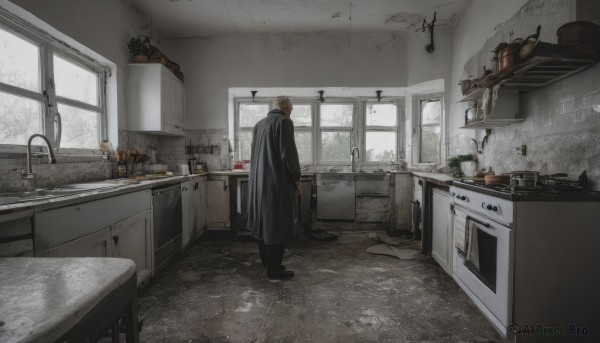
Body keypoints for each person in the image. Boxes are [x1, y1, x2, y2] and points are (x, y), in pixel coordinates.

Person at [247, 96, 301, 280]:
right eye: (291, 111)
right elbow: (290, 155)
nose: (290, 114)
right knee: (278, 225)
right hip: (275, 184)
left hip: (259, 183)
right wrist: (297, 179)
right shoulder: (284, 123)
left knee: (264, 225)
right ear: (287, 109)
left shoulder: (259, 125)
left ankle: (267, 262)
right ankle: (275, 270)